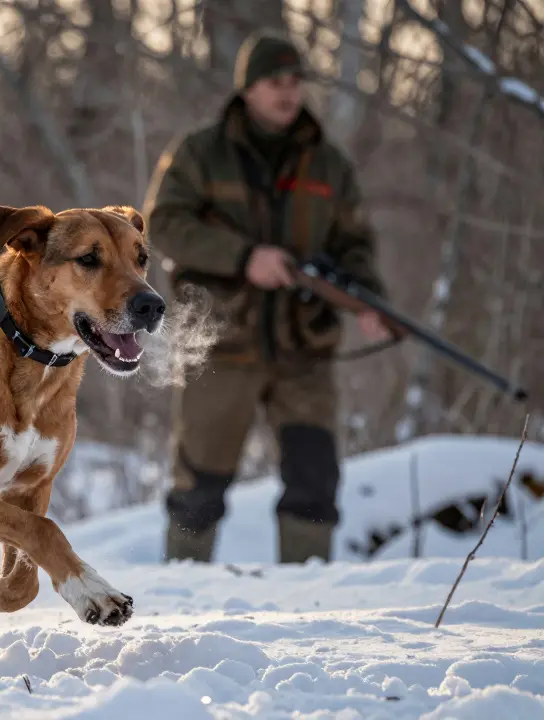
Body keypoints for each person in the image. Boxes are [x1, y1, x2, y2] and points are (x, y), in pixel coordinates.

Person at [143, 29, 391, 564]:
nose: (288, 91)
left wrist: (369, 301)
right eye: (275, 81)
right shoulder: (201, 153)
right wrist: (243, 258)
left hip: (304, 349)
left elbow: (355, 245)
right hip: (220, 344)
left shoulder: (329, 165)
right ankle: (184, 595)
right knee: (198, 487)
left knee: (314, 482)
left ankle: (309, 601)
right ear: (249, 88)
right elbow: (163, 225)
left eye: (296, 80)